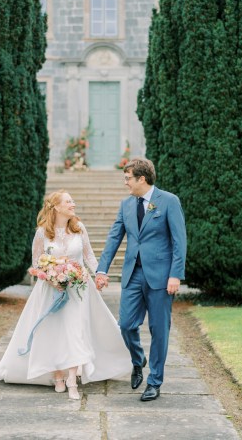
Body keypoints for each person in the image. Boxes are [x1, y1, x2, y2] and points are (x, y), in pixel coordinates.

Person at [0, 190, 131, 399]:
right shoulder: (42, 232)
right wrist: (51, 277)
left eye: (73, 201)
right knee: (54, 332)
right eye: (68, 202)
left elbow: (89, 257)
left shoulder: (79, 228)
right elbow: (36, 263)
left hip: (78, 290)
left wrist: (100, 274)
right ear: (56, 206)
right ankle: (57, 376)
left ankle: (72, 379)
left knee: (77, 332)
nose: (73, 204)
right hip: (50, 290)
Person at [95, 157, 187, 402]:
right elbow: (114, 238)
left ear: (141, 179)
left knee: (159, 331)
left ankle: (154, 382)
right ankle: (138, 360)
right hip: (133, 275)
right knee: (125, 324)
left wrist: (175, 274)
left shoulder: (169, 201)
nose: (125, 183)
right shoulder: (126, 205)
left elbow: (179, 241)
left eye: (128, 178)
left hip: (161, 278)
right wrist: (101, 270)